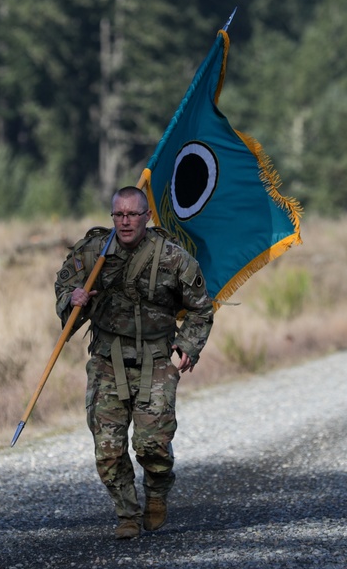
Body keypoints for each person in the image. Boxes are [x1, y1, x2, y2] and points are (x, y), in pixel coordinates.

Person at [55, 186, 214, 539]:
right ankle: (127, 513)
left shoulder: (173, 257)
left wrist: (188, 344)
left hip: (156, 359)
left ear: (146, 217)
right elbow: (63, 291)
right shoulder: (93, 252)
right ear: (112, 217)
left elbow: (202, 308)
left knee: (151, 444)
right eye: (119, 215)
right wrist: (73, 297)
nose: (125, 222)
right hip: (107, 359)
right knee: (107, 447)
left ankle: (156, 493)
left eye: (132, 214)